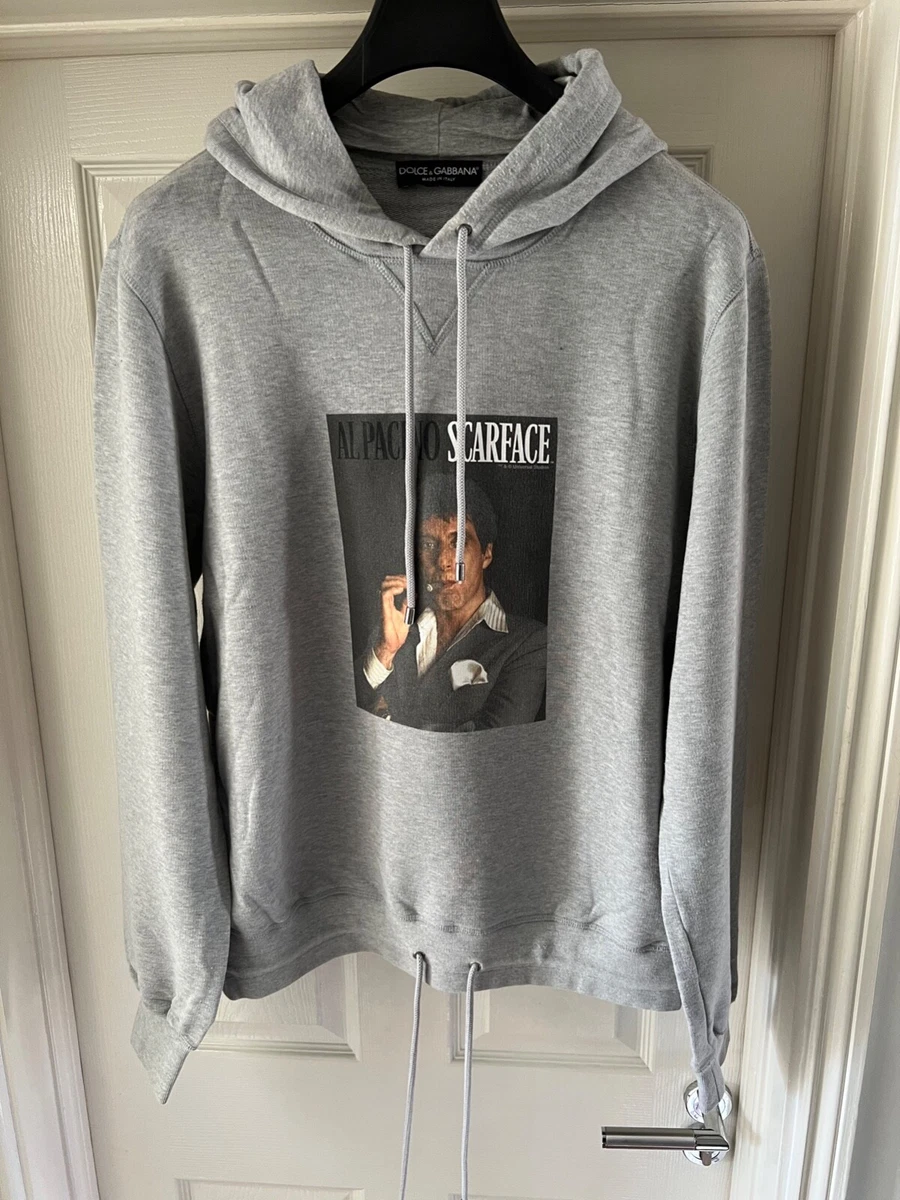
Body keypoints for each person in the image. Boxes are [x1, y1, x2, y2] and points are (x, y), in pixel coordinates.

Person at [352, 473, 547, 731]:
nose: (443, 561)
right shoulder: (394, 629)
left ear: (486, 554)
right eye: (428, 544)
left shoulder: (528, 643)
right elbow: (340, 718)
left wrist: (386, 716)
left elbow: (491, 740)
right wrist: (385, 652)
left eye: (459, 543)